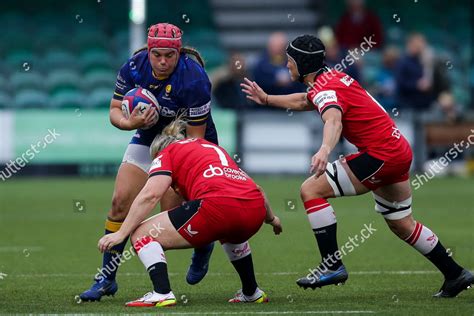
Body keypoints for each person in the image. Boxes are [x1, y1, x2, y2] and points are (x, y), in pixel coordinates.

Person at [241, 34, 473, 298]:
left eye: (290, 61)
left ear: (303, 64)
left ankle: (332, 265)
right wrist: (268, 98)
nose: (286, 66)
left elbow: (333, 121)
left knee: (311, 190)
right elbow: (306, 101)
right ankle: (455, 274)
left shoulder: (324, 88)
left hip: (380, 155)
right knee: (401, 223)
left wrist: (325, 149)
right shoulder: (329, 78)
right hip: (397, 150)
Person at [80, 23, 219, 301]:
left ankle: (203, 245)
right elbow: (114, 111)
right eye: (158, 55)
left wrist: (170, 164)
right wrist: (130, 122)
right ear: (149, 50)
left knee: (170, 212)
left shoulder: (195, 79)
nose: (163, 61)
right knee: (120, 201)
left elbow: (195, 137)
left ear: (179, 52)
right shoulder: (133, 67)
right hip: (148, 135)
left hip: (187, 140)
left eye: (170, 55)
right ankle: (107, 278)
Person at [98, 119, 282, 307]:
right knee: (231, 229)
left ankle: (162, 293)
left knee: (140, 234)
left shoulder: (166, 153)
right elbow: (257, 189)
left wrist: (122, 233)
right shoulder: (211, 149)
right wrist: (272, 219)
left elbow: (150, 195)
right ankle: (251, 292)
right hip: (254, 210)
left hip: (217, 207)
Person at [252, 32, 305, 97]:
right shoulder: (260, 64)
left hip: (290, 101)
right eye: (274, 46)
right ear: (269, 46)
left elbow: (301, 84)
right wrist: (275, 81)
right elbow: (258, 82)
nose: (277, 49)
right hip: (268, 102)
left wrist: (292, 80)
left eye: (280, 46)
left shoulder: (295, 63)